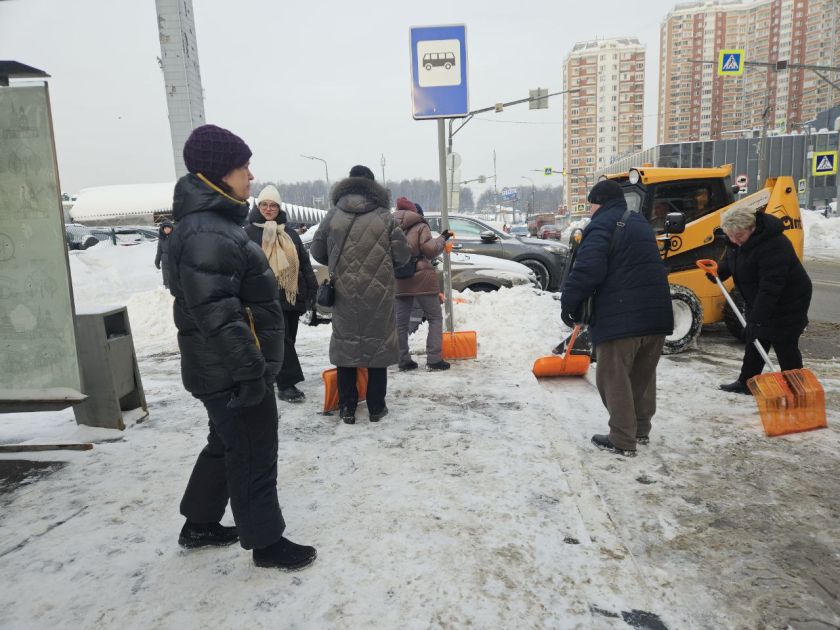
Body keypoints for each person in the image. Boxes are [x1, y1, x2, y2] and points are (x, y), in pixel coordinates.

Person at [169, 124, 316, 570]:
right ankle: (267, 544)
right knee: (252, 449)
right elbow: (218, 314)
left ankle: (199, 524)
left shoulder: (212, 225)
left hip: (222, 370)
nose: (250, 176)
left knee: (225, 442)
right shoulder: (208, 232)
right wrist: (252, 373)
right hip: (232, 371)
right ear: (219, 173)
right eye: (243, 167)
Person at [560, 179, 673, 457]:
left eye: (591, 205)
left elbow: (588, 269)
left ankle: (622, 438)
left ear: (598, 203)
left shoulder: (601, 224)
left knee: (614, 376)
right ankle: (641, 428)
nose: (590, 210)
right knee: (642, 375)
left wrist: (569, 304)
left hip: (621, 316)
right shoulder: (639, 222)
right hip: (656, 313)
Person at [310, 165, 410, 424]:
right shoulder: (385, 217)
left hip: (343, 293)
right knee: (378, 347)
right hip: (379, 293)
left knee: (347, 348)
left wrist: (338, 263)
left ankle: (347, 408)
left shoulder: (332, 215)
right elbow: (403, 255)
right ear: (372, 186)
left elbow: (317, 252)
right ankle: (377, 408)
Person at [711, 206, 812, 394]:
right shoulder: (738, 240)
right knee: (755, 340)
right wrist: (719, 272)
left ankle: (797, 389)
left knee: (784, 342)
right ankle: (747, 382)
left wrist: (756, 320)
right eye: (731, 236)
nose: (734, 241)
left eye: (738, 236)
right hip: (759, 297)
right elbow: (733, 258)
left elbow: (770, 287)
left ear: (752, 228)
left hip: (789, 299)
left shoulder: (774, 245)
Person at [244, 185, 318, 403]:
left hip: (291, 295)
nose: (269, 209)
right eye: (265, 204)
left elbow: (303, 263)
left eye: (273, 205)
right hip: (263, 297)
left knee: (288, 340)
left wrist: (312, 288)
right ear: (258, 207)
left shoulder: (289, 233)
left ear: (279, 208)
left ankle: (276, 373)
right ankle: (287, 384)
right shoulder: (247, 234)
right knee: (280, 339)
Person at [393, 196, 452, 371]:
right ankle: (434, 360)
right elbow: (430, 250)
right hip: (422, 278)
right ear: (414, 212)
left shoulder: (389, 228)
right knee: (434, 318)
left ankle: (403, 360)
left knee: (400, 323)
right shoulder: (421, 226)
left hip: (399, 277)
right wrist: (442, 239)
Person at [154, 220, 174, 288]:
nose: (167, 229)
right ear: (163, 229)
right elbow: (159, 251)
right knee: (166, 279)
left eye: (168, 227)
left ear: (171, 228)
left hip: (174, 260)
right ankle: (167, 291)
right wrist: (157, 261)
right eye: (165, 228)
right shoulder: (161, 239)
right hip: (165, 262)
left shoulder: (176, 237)